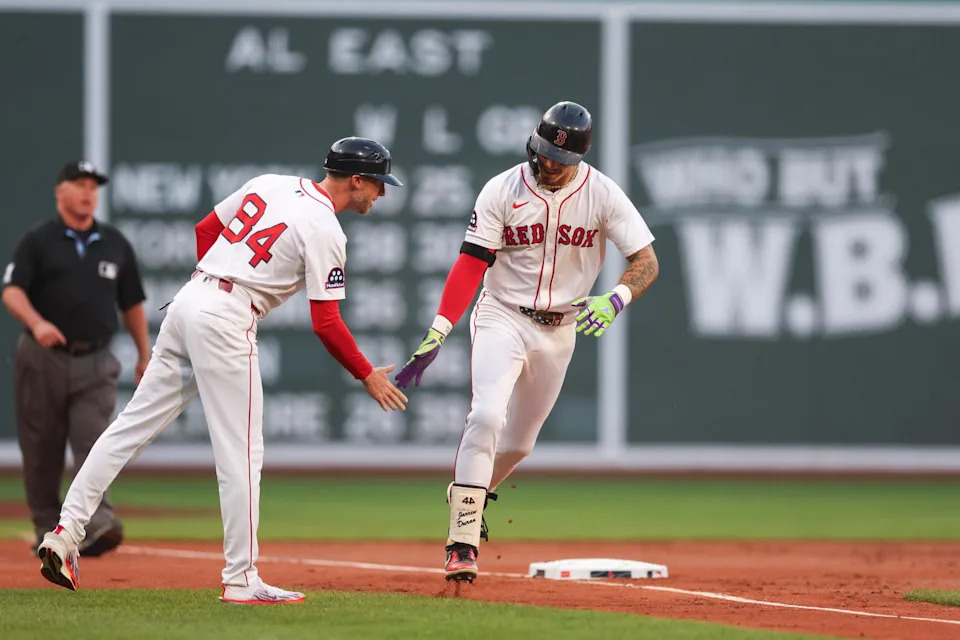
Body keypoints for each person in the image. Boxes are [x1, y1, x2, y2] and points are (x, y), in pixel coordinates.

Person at [36, 138, 409, 604]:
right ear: (356, 180)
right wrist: (366, 374)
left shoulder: (270, 183)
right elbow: (326, 321)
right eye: (377, 184)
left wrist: (214, 282)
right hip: (227, 316)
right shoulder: (326, 229)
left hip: (189, 300)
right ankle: (241, 579)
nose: (381, 194)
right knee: (242, 455)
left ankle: (64, 533)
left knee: (127, 429)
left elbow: (205, 227)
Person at [395, 102, 660, 583]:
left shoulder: (601, 193)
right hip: (502, 314)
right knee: (487, 415)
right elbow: (472, 263)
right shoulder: (502, 189)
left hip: (560, 329)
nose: (551, 163)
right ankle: (463, 538)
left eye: (562, 158)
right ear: (533, 145)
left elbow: (646, 259)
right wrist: (438, 329)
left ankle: (467, 492)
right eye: (544, 152)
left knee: (519, 443)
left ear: (580, 158)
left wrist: (617, 298)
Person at [2, 161, 151, 559]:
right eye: (79, 184)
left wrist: (143, 352)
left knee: (96, 440)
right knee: (42, 448)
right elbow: (12, 291)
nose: (88, 192)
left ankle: (96, 521)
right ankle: (46, 527)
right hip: (43, 357)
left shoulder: (115, 243)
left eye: (93, 186)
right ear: (60, 192)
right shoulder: (39, 241)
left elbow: (132, 302)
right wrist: (36, 323)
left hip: (96, 359)